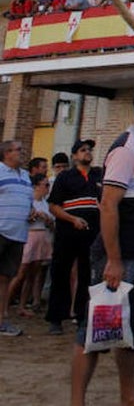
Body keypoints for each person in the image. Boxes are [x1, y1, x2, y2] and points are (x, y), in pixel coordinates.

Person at [71, 78, 134, 406]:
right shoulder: (125, 148)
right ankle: (77, 401)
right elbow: (109, 205)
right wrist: (113, 260)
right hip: (121, 255)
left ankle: (129, 397)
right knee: (96, 331)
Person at [46, 139, 100, 335]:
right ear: (75, 156)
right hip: (68, 232)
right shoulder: (65, 177)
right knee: (61, 272)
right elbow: (53, 206)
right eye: (83, 150)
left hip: (92, 233)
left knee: (87, 274)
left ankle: (82, 314)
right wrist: (72, 219)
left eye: (89, 150)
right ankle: (56, 318)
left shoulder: (98, 175)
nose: (87, 152)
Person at [0, 139, 33, 337]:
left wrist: (30, 211)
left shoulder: (26, 176)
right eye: (18, 150)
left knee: (5, 278)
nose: (22, 152)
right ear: (6, 153)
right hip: (1, 230)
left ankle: (1, 320)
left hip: (18, 234)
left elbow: (27, 201)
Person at [10, 173, 52, 318]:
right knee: (20, 273)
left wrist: (47, 219)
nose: (47, 188)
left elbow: (51, 223)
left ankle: (22, 305)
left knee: (32, 275)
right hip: (30, 235)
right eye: (45, 185)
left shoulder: (45, 203)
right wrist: (33, 215)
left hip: (42, 236)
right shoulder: (28, 201)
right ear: (36, 186)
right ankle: (5, 303)